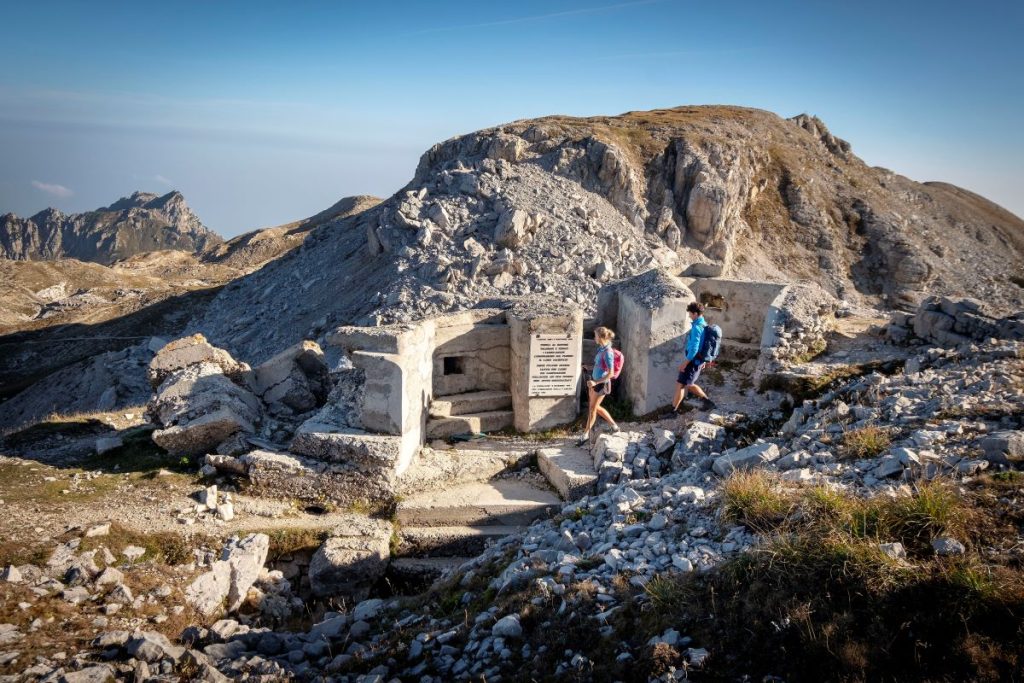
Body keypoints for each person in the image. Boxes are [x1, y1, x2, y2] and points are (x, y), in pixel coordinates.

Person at [577, 326, 620, 446]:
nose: (594, 337)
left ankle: (585, 435)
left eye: (595, 335)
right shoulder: (601, 349)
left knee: (592, 410)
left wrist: (595, 382)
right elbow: (599, 366)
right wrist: (588, 367)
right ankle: (614, 426)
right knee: (595, 407)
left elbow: (610, 373)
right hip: (595, 382)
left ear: (600, 337)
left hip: (601, 385)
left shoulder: (608, 353)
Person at [672, 302, 717, 412]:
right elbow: (706, 345)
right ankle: (708, 402)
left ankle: (673, 411)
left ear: (696, 314)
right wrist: (704, 361)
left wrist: (685, 363)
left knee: (682, 384)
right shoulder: (704, 325)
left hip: (693, 361)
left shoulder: (697, 327)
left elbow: (694, 349)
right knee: (686, 384)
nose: (689, 316)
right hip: (697, 360)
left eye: (690, 314)